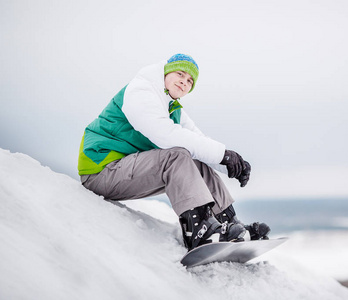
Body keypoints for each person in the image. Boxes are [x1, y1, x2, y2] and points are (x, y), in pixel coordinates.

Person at [78, 54, 270, 251]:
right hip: (101, 171)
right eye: (180, 74)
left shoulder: (173, 108)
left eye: (190, 81)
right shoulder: (141, 90)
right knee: (177, 155)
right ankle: (198, 231)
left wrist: (231, 163)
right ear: (165, 72)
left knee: (194, 158)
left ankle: (229, 222)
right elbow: (164, 135)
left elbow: (199, 143)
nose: (184, 82)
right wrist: (223, 154)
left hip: (126, 169)